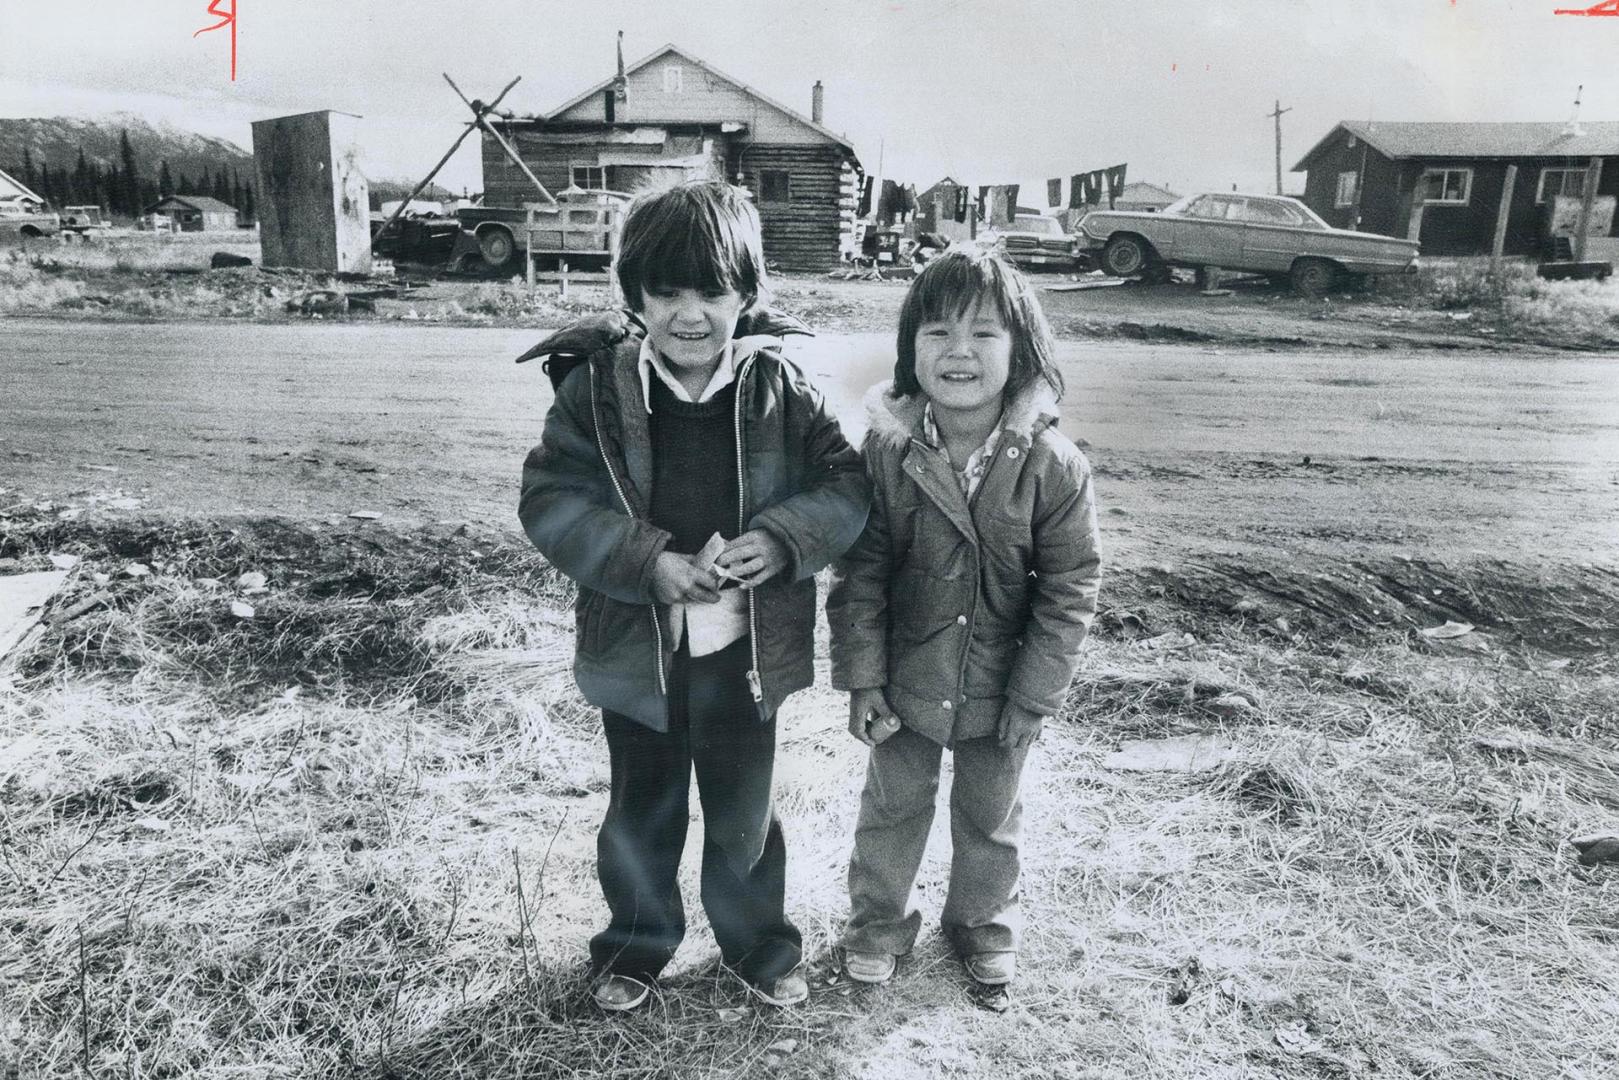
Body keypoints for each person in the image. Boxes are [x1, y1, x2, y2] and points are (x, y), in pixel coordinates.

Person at [517, 180, 870, 1013]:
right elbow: (551, 500)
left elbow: (847, 484)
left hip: (745, 650)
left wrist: (783, 538)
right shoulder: (594, 389)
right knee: (642, 804)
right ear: (632, 295)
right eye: (665, 291)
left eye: (710, 291)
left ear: (747, 294)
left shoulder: (783, 388)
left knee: (744, 812)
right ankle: (636, 945)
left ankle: (758, 946)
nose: (688, 313)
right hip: (638, 651)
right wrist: (647, 563)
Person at [827, 247, 1101, 1000]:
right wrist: (864, 678)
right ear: (908, 349)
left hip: (999, 685)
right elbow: (861, 573)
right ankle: (877, 926)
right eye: (936, 332)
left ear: (1019, 353)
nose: (957, 352)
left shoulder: (1051, 464)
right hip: (907, 681)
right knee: (891, 810)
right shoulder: (886, 452)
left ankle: (982, 927)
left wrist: (1032, 697)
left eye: (983, 333)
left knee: (990, 816)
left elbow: (1069, 588)